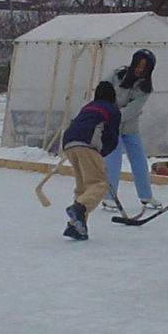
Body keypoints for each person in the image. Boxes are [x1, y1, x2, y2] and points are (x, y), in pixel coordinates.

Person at [102, 49, 161, 214]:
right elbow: (102, 92)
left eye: (144, 67)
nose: (140, 69)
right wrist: (105, 112)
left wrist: (114, 115)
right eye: (138, 65)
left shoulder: (145, 88)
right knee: (113, 162)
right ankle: (108, 196)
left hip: (129, 127)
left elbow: (133, 109)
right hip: (111, 127)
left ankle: (146, 196)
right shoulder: (116, 75)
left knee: (139, 161)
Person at [61, 80, 122, 241]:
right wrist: (101, 156)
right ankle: (79, 209)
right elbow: (111, 138)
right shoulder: (113, 110)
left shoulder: (87, 107)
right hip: (87, 143)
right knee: (100, 184)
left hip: (68, 143)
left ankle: (76, 226)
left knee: (83, 187)